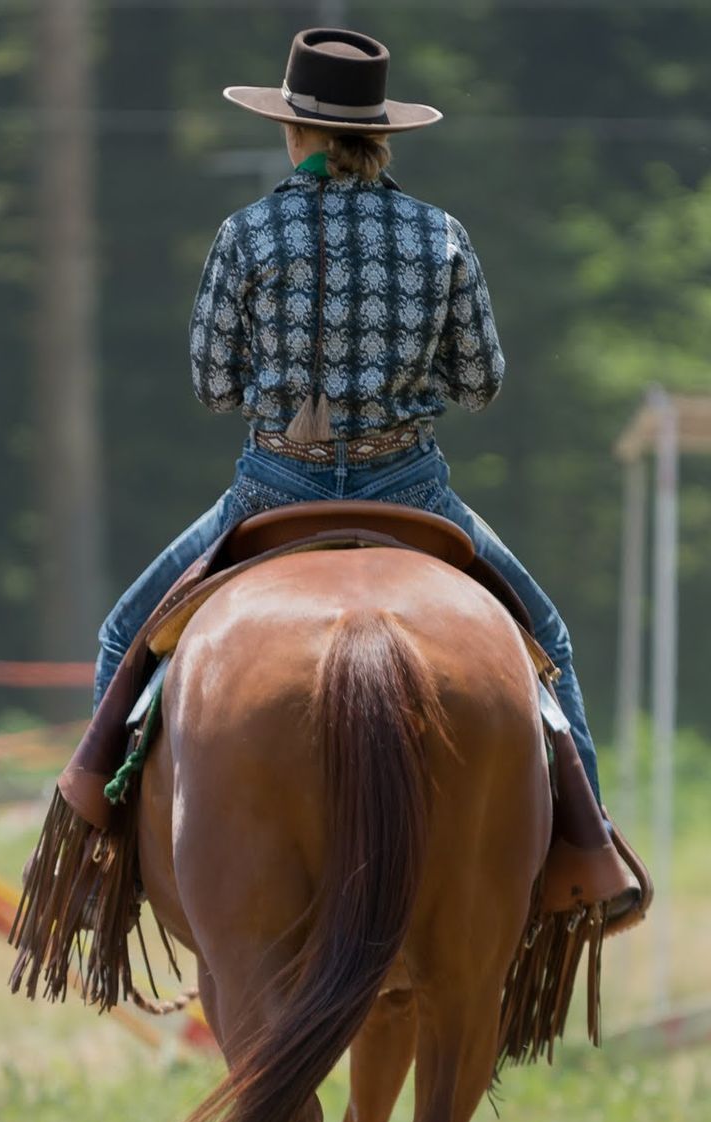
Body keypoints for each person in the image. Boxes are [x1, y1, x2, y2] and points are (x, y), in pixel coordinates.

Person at [92, 27, 609, 803]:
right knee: (552, 642)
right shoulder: (442, 235)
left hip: (275, 490)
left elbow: (211, 385)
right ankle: (591, 849)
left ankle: (93, 854)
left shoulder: (246, 233)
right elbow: (480, 383)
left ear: (294, 130)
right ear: (376, 135)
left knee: (117, 637)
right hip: (410, 493)